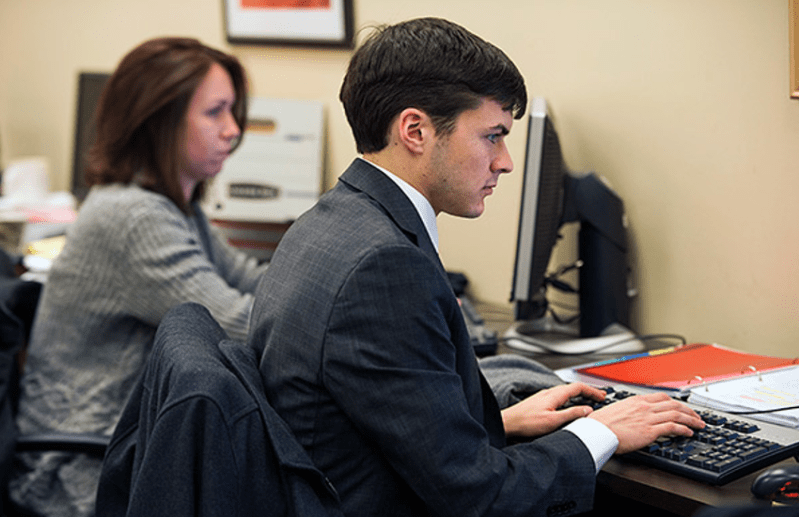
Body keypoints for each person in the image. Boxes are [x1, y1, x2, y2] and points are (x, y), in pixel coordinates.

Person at [250, 17, 706, 517]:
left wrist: (498, 423)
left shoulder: (326, 225)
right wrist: (600, 430)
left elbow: (368, 423)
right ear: (416, 131)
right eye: (492, 136)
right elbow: (479, 498)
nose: (505, 161)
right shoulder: (384, 268)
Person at [11, 37, 267, 517]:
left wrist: (327, 283)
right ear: (160, 122)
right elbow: (236, 323)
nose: (233, 130)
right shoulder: (133, 217)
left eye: (233, 111)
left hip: (122, 448)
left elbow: (250, 279)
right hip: (77, 471)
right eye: (216, 112)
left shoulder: (174, 208)